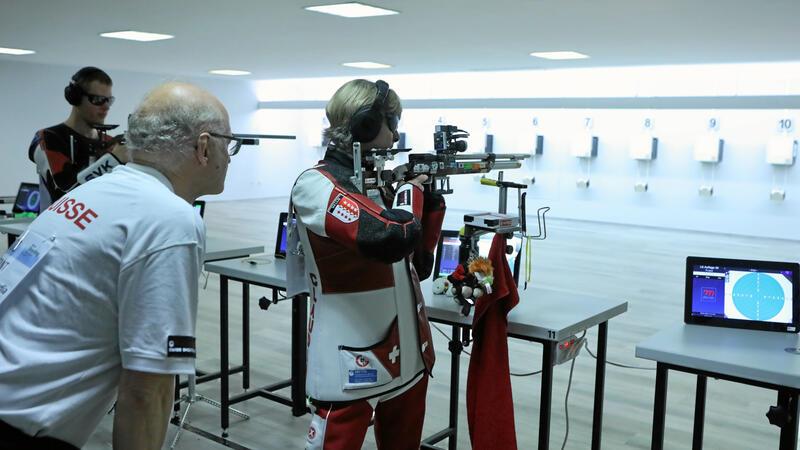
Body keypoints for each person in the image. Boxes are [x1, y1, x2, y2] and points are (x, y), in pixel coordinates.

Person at [0, 82, 234, 449]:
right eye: (227, 142)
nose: (230, 155)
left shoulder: (93, 191)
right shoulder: (169, 218)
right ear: (203, 147)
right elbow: (148, 390)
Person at [291, 79, 446, 450]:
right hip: (351, 358)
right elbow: (389, 237)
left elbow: (418, 266)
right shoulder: (316, 185)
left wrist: (431, 204)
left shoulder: (379, 182)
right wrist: (411, 195)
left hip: (406, 351)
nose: (395, 134)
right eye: (391, 122)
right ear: (367, 124)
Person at [28, 66, 127, 211]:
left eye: (109, 100)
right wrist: (113, 160)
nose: (106, 107)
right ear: (75, 97)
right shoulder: (48, 138)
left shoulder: (110, 143)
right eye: (98, 100)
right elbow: (64, 194)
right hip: (58, 229)